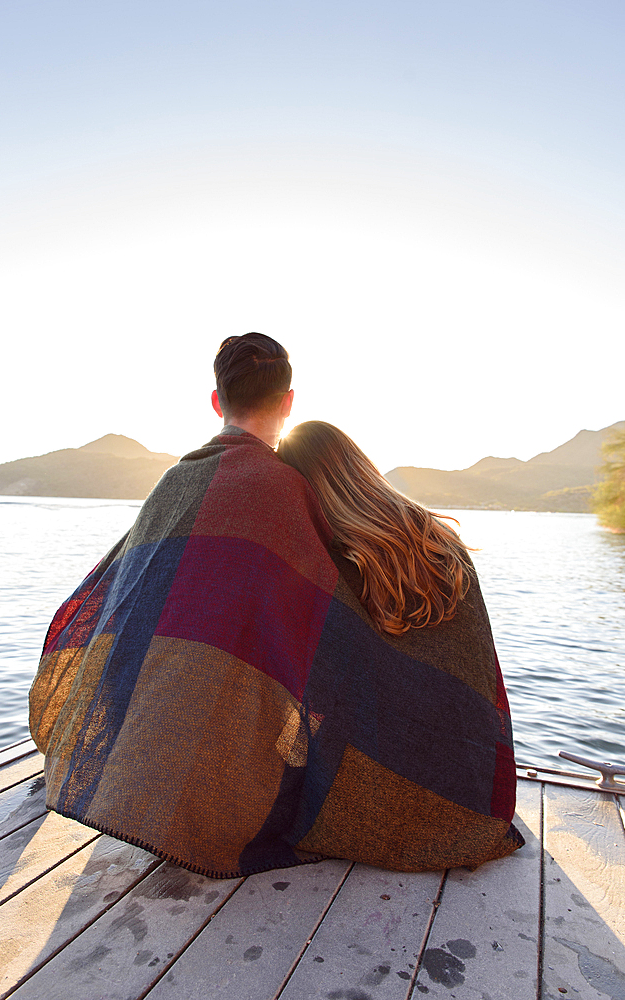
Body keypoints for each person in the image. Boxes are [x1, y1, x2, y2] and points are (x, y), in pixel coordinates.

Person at [29, 335, 521, 879]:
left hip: (154, 756)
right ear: (289, 402)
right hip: (464, 762)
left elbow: (121, 591)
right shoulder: (305, 496)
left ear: (216, 401)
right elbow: (323, 622)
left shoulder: (177, 482)